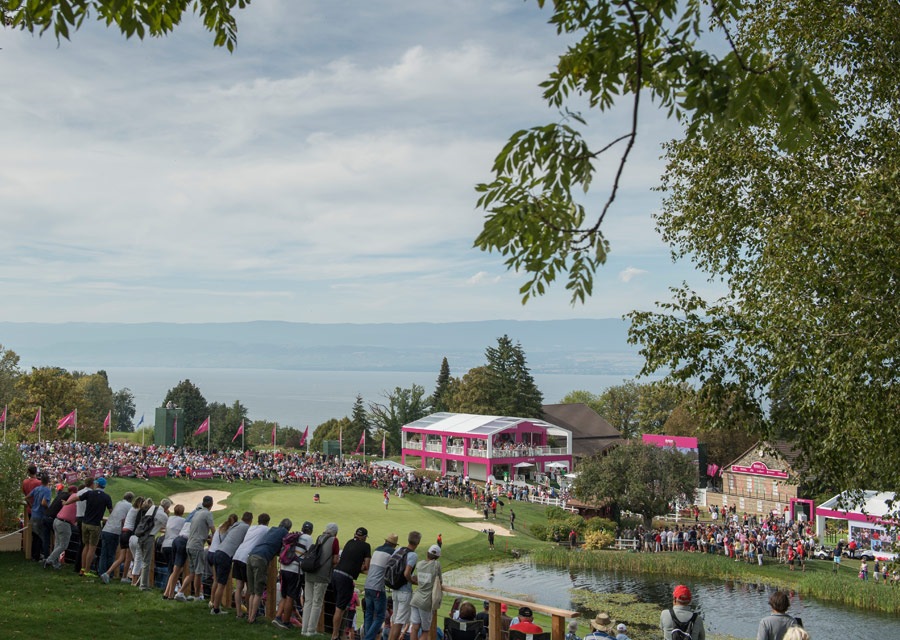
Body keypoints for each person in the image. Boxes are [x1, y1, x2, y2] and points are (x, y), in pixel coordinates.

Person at [246, 517, 292, 624]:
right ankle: (252, 618)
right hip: (261, 558)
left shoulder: (272, 529)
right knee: (258, 592)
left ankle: (249, 616)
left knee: (252, 591)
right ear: (288, 528)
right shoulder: (285, 533)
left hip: (251, 555)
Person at [331, 526, 372, 640]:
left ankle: (337, 634)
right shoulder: (366, 546)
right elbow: (366, 566)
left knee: (339, 607)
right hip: (345, 578)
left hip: (335, 574)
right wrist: (358, 566)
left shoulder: (349, 542)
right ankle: (335, 636)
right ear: (364, 537)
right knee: (340, 608)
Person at [69, 477, 112, 577]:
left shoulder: (89, 493)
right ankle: (87, 571)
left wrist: (66, 503)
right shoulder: (106, 497)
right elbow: (111, 511)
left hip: (84, 522)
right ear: (104, 486)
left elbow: (76, 498)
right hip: (95, 525)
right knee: (91, 549)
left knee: (85, 546)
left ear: (97, 484)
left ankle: (82, 569)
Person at [302, 522, 340, 637]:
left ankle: (304, 629)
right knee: (317, 602)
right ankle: (311, 630)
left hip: (310, 572)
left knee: (308, 601)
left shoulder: (319, 537)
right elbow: (335, 560)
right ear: (335, 533)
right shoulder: (334, 540)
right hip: (321, 575)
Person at [274, 520, 313, 629]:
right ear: (311, 531)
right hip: (295, 570)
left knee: (284, 595)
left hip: (283, 567)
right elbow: (311, 554)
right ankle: (286, 622)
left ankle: (277, 617)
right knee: (291, 596)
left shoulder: (295, 536)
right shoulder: (308, 538)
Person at [211, 510, 251, 615]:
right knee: (221, 584)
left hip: (218, 552)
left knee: (218, 581)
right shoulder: (246, 528)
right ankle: (216, 609)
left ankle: (215, 606)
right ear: (250, 521)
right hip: (225, 555)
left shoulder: (236, 525)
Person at [231, 512, 268, 617]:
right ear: (267, 522)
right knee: (249, 588)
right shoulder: (265, 529)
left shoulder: (251, 528)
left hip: (238, 555)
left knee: (238, 587)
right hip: (245, 558)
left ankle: (239, 613)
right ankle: (250, 612)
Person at [364, 533, 399, 640]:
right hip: (378, 587)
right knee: (380, 616)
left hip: (368, 584)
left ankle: (367, 636)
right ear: (394, 545)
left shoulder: (377, 549)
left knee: (369, 613)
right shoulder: (393, 552)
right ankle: (368, 638)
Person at [387, 531, 421, 640]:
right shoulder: (413, 555)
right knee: (399, 623)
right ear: (418, 542)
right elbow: (406, 573)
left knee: (396, 620)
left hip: (395, 589)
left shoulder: (399, 549)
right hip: (404, 592)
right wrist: (413, 581)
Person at [409, 544, 443, 640]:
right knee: (425, 631)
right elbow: (440, 582)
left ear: (427, 553)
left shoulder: (419, 564)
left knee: (415, 628)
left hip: (415, 599)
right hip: (426, 602)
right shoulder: (436, 565)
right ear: (437, 557)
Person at [185, 495, 216, 601]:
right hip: (197, 546)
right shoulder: (208, 513)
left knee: (192, 572)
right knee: (198, 573)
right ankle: (197, 596)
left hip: (189, 544)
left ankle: (180, 593)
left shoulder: (197, 513)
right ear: (211, 504)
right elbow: (213, 531)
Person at [138, 498, 171, 590]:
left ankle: (140, 582)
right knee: (146, 562)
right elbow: (168, 525)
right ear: (167, 507)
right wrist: (167, 514)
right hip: (148, 537)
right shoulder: (163, 515)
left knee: (142, 561)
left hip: (140, 535)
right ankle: (143, 586)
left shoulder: (152, 508)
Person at [99, 491, 134, 577]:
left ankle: (101, 572)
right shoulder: (129, 506)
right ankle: (108, 574)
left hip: (106, 529)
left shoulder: (119, 503)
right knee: (111, 554)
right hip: (114, 531)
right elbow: (125, 520)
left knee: (104, 553)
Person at [44, 484, 78, 569]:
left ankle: (56, 564)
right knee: (63, 545)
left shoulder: (64, 495)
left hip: (56, 520)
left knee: (57, 544)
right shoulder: (76, 498)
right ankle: (49, 560)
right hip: (64, 523)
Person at [26, 473, 52, 562]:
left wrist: (31, 505)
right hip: (41, 515)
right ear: (48, 481)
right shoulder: (47, 490)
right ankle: (38, 556)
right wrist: (49, 510)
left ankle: (34, 555)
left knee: (35, 536)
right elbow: (44, 503)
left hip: (33, 514)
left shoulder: (37, 489)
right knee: (41, 537)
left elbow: (27, 497)